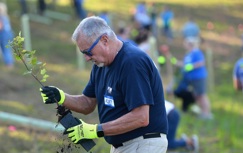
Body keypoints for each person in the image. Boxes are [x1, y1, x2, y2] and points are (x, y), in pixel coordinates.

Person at [40, 16, 168, 153]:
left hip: (143, 143)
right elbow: (88, 102)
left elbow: (141, 117)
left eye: (88, 52)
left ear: (105, 40)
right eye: (83, 53)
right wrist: (61, 97)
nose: (87, 58)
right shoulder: (100, 65)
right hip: (122, 146)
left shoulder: (132, 62)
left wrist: (96, 130)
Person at [172, 37, 213, 120]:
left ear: (190, 44)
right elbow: (185, 64)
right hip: (192, 78)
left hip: (199, 77)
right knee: (197, 95)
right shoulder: (189, 54)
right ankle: (202, 111)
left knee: (201, 95)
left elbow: (201, 63)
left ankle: (207, 113)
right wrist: (175, 62)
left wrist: (191, 66)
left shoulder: (196, 52)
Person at [0, 2, 14, 69]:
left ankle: (9, 63)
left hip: (3, 35)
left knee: (5, 49)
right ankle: (9, 63)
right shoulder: (5, 16)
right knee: (7, 49)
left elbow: (0, 26)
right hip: (9, 33)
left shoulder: (0, 17)